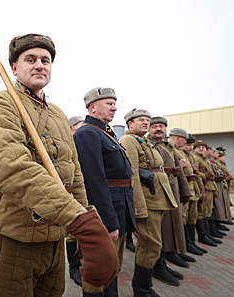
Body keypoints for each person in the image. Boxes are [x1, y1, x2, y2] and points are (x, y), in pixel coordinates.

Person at [0, 33, 118, 297]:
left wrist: (87, 223)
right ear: (15, 68)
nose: (40, 65)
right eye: (30, 59)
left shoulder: (58, 114)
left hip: (54, 240)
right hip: (12, 239)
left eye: (45, 60)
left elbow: (76, 174)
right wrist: (79, 222)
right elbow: (12, 168)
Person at [74, 87, 136, 297]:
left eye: (114, 103)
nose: (114, 107)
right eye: (109, 103)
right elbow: (94, 182)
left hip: (118, 208)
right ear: (93, 107)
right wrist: (108, 222)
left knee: (113, 267)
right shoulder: (87, 133)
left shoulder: (104, 133)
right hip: (105, 214)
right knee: (98, 272)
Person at [119, 109, 177, 297]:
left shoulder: (144, 141)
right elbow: (132, 175)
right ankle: (141, 290)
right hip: (147, 202)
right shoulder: (128, 141)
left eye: (147, 120)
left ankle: (145, 286)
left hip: (156, 200)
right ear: (130, 124)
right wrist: (139, 207)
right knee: (149, 246)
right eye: (141, 120)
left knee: (153, 245)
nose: (146, 122)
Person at [147, 118, 192, 287]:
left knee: (172, 227)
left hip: (172, 190)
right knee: (160, 230)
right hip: (157, 192)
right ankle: (158, 267)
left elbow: (178, 171)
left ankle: (166, 260)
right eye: (155, 126)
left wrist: (185, 191)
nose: (159, 129)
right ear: (149, 129)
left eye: (162, 126)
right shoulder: (145, 144)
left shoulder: (168, 146)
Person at [170, 131, 207, 255]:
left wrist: (200, 189)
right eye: (185, 140)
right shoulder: (172, 149)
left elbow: (194, 175)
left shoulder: (184, 153)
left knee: (190, 217)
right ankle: (181, 247)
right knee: (182, 218)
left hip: (190, 187)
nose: (187, 144)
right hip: (180, 189)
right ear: (179, 138)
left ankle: (189, 243)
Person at [66, 115, 85, 287]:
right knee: (72, 234)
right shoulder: (72, 142)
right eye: (81, 125)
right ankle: (74, 267)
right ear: (73, 127)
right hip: (71, 190)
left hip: (84, 189)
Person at [193, 141, 221, 246]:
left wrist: (214, 189)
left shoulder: (205, 159)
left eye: (203, 147)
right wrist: (205, 175)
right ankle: (203, 236)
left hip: (210, 186)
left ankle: (208, 234)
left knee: (208, 211)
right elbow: (195, 173)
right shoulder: (196, 158)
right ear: (195, 149)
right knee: (202, 212)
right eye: (199, 147)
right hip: (203, 186)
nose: (201, 149)